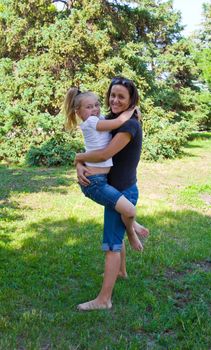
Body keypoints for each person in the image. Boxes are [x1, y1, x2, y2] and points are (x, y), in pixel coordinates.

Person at [75, 77, 149, 311]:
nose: (115, 100)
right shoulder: (108, 120)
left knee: (111, 245)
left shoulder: (129, 125)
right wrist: (79, 164)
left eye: (121, 97)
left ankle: (104, 300)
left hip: (123, 189)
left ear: (131, 100)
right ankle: (122, 271)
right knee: (114, 235)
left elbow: (105, 152)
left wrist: (78, 158)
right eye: (112, 95)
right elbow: (93, 148)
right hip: (112, 186)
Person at [64, 88, 143, 250]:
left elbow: (111, 122)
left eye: (97, 105)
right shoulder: (92, 122)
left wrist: (79, 162)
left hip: (100, 180)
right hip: (94, 183)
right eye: (89, 107)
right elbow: (118, 122)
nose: (94, 109)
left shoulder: (98, 119)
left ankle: (131, 226)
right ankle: (131, 230)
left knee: (127, 211)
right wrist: (132, 108)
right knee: (129, 210)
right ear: (78, 112)